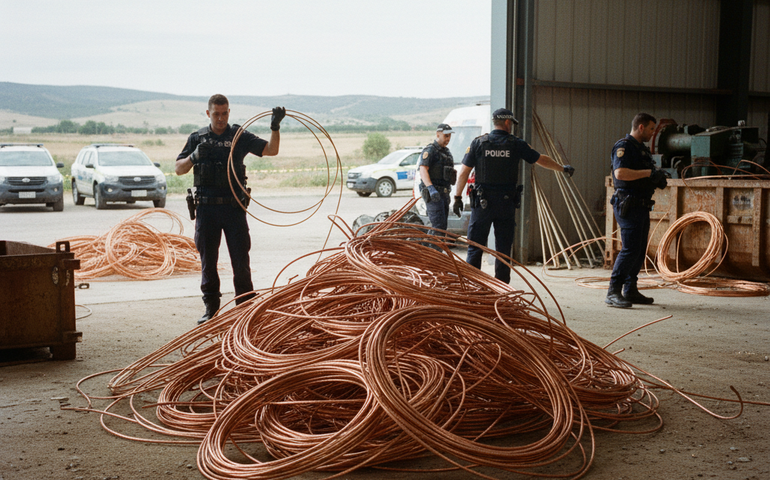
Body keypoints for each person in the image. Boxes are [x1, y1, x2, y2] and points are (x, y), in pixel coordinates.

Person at [175, 94, 285, 324]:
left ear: (229, 112)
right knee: (208, 262)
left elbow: (271, 150)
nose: (221, 118)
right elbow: (179, 169)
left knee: (241, 261)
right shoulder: (197, 138)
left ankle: (244, 310)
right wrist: (194, 156)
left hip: (234, 209)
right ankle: (211, 310)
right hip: (206, 210)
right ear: (208, 113)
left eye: (224, 113)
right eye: (216, 114)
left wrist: (275, 127)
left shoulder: (238, 136)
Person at [452, 108, 575, 284]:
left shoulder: (478, 143)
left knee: (475, 246)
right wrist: (562, 168)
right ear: (507, 122)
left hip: (482, 203)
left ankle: (471, 287)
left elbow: (464, 172)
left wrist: (457, 198)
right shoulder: (516, 144)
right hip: (505, 203)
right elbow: (540, 159)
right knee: (503, 249)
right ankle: (502, 288)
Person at [605, 112, 667, 308]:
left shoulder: (642, 150)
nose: (652, 133)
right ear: (641, 127)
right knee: (630, 249)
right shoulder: (624, 146)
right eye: (651, 129)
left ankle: (630, 289)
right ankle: (613, 291)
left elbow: (643, 175)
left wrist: (656, 178)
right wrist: (649, 173)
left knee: (639, 249)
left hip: (641, 205)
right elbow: (620, 173)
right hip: (628, 204)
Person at [418, 123, 456, 239]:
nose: (448, 139)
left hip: (444, 193)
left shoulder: (446, 152)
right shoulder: (430, 150)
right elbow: (423, 169)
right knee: (437, 227)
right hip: (434, 194)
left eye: (449, 136)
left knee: (442, 227)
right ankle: (431, 249)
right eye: (446, 136)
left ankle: (435, 249)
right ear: (438, 134)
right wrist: (430, 188)